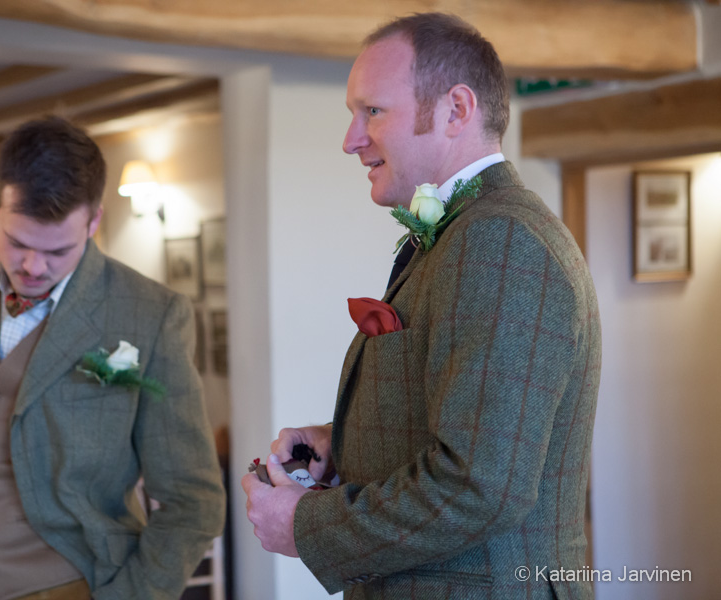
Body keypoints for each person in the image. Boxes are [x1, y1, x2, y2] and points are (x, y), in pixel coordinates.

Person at [242, 13, 601, 599]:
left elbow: (480, 485)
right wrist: (345, 441)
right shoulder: (467, 229)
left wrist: (305, 524)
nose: (351, 138)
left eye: (372, 112)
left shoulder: (502, 239)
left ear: (456, 110)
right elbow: (472, 417)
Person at [0, 115, 226, 599]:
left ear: (94, 220)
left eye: (58, 250)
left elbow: (192, 499)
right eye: (16, 243)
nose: (32, 267)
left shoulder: (151, 314)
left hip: (67, 586)